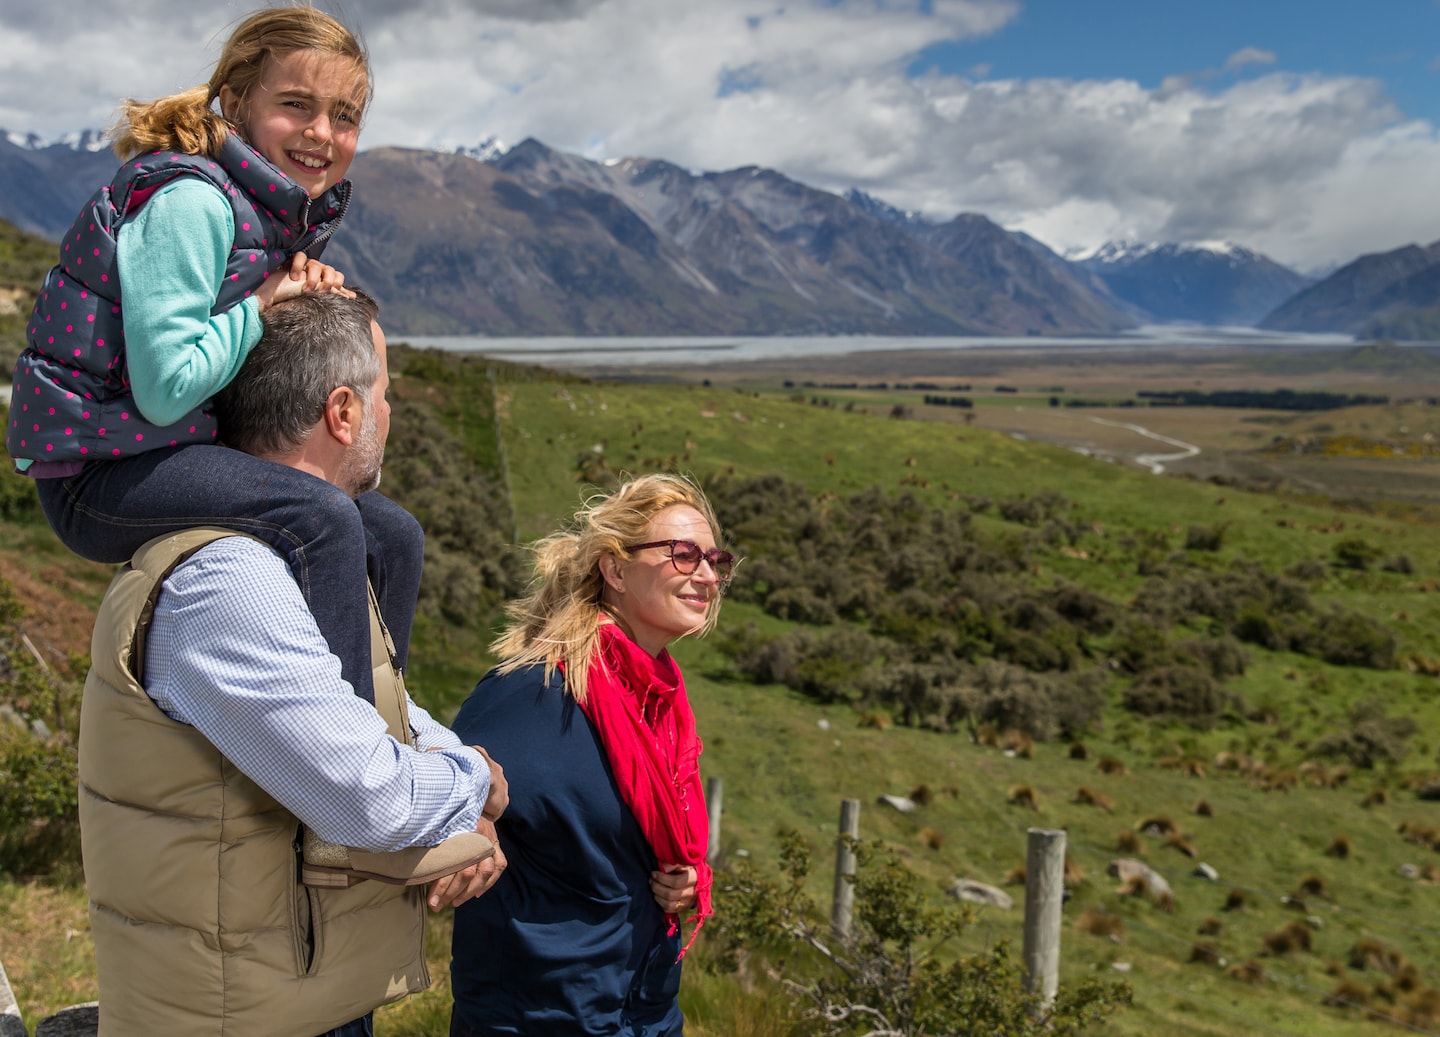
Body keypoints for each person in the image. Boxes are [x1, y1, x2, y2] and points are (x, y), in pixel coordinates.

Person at [78, 290, 507, 1037]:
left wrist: (449, 781)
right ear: (342, 411)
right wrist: (473, 780)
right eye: (384, 393)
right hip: (236, 1015)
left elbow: (375, 718)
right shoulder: (229, 579)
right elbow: (369, 796)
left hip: (293, 990)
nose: (390, 414)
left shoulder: (293, 561)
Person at [4, 6, 422, 709]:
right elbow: (166, 388)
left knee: (394, 535)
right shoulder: (193, 201)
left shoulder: (270, 206)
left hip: (164, 448)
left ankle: (387, 718)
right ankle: (351, 766)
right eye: (297, 105)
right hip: (96, 475)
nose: (323, 133)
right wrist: (263, 305)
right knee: (319, 514)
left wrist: (290, 303)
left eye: (345, 115)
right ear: (237, 101)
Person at [448, 473, 734, 1037]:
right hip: (538, 1018)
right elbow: (440, 781)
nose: (705, 574)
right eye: (681, 554)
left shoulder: (661, 706)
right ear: (615, 568)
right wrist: (469, 811)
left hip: (646, 1013)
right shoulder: (533, 693)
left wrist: (688, 881)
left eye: (714, 559)